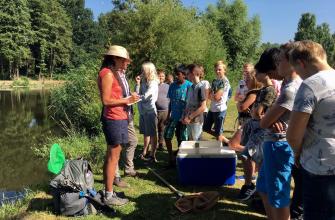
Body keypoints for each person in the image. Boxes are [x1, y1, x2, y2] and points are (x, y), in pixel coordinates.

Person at [287, 40, 335, 220]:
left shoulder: (311, 85)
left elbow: (293, 136)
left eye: (297, 71)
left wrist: (297, 154)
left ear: (301, 63)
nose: (299, 76)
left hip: (319, 166)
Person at [257, 43, 302, 220]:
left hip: (279, 146)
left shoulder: (291, 89)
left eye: (280, 61)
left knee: (278, 195)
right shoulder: (286, 85)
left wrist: (268, 119)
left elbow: (264, 121)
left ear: (291, 63)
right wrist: (270, 119)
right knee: (263, 187)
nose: (276, 66)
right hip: (273, 144)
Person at [97, 45, 139, 206]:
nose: (127, 63)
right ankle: (108, 196)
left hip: (119, 117)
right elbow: (106, 101)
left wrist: (127, 98)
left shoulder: (112, 73)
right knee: (113, 158)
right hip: (113, 119)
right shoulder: (107, 73)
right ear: (115, 59)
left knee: (112, 157)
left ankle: (109, 191)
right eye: (124, 60)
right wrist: (127, 100)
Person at [236, 48, 279, 201]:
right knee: (254, 157)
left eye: (257, 73)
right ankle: (256, 188)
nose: (255, 76)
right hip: (255, 126)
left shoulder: (269, 90)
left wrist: (254, 111)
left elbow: (257, 112)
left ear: (265, 74)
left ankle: (253, 187)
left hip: (261, 127)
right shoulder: (262, 90)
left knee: (251, 156)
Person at [164, 64, 192, 167]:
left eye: (178, 74)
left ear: (184, 75)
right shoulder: (172, 85)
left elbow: (191, 103)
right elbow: (170, 102)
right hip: (173, 117)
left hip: (183, 119)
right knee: (167, 136)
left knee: (182, 139)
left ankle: (180, 160)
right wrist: (167, 117)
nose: (176, 76)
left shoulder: (189, 86)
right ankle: (171, 157)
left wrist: (188, 117)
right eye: (175, 74)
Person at [228, 69, 262, 152]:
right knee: (242, 144)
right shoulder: (253, 92)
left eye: (248, 80)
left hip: (249, 122)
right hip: (247, 122)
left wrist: (240, 103)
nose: (245, 81)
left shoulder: (253, 93)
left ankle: (255, 152)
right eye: (245, 79)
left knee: (233, 144)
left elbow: (242, 107)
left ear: (254, 81)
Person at [136, 62, 159, 163]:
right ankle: (145, 152)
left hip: (150, 111)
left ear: (149, 71)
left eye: (143, 70)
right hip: (143, 111)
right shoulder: (143, 81)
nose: (142, 72)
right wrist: (137, 84)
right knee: (146, 133)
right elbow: (138, 93)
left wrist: (136, 97)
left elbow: (145, 96)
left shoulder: (153, 83)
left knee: (153, 134)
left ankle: (152, 155)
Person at [203, 60, 231, 144]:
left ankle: (219, 151)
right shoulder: (215, 80)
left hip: (220, 109)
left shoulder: (225, 81)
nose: (217, 71)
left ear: (224, 70)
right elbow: (209, 95)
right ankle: (226, 141)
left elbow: (216, 97)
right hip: (212, 108)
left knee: (218, 132)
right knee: (206, 128)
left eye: (219, 69)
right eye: (216, 70)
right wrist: (212, 95)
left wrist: (212, 95)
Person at [182, 64, 207, 140]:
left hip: (197, 120)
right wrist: (184, 115)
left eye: (188, 74)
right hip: (189, 119)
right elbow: (188, 103)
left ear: (193, 73)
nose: (186, 76)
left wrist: (190, 117)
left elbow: (203, 107)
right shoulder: (190, 87)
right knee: (190, 141)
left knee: (196, 143)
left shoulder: (201, 87)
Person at [156, 70, 170, 150]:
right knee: (155, 128)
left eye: (162, 76)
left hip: (165, 110)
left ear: (165, 78)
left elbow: (170, 98)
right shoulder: (154, 85)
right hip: (155, 110)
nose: (161, 77)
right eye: (159, 76)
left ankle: (161, 143)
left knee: (162, 128)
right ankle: (153, 143)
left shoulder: (168, 86)